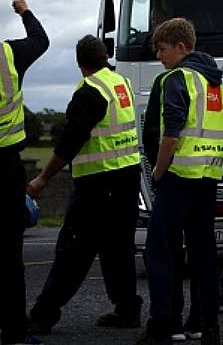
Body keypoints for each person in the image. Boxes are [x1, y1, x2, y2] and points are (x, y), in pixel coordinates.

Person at [27, 36, 141, 335]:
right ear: (105, 57)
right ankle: (128, 310)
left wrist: (42, 178)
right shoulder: (120, 83)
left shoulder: (89, 90)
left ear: (81, 65)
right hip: (127, 178)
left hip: (97, 183)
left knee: (73, 250)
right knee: (119, 248)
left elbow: (69, 143)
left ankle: (42, 315)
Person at [136, 18, 223, 345]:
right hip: (207, 177)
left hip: (178, 176)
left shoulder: (176, 78)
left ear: (181, 47)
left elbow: (170, 131)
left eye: (161, 49)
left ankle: (165, 325)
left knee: (160, 251)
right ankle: (205, 325)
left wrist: (158, 172)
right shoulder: (216, 83)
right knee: (203, 251)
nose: (159, 57)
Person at [0, 0, 48, 345]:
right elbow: (41, 41)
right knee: (9, 256)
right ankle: (15, 332)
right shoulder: (8, 54)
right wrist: (25, 12)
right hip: (5, 170)